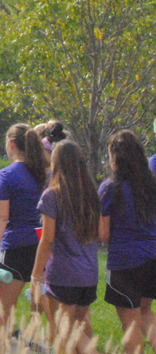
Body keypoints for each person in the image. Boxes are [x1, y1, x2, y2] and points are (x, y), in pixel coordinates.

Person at [0, 124, 46, 354]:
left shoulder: (6, 175)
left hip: (15, 247)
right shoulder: (44, 174)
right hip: (43, 246)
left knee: (4, 313)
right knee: (50, 312)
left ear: (10, 144)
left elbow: (0, 217)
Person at [31, 140, 99, 353]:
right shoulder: (92, 195)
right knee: (77, 331)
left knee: (67, 332)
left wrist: (35, 275)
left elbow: (47, 239)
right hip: (89, 274)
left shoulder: (52, 195)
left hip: (63, 275)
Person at [98, 130, 156, 354]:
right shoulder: (152, 186)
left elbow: (103, 235)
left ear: (115, 157)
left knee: (130, 325)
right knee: (146, 313)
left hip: (125, 263)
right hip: (152, 258)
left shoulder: (110, 188)